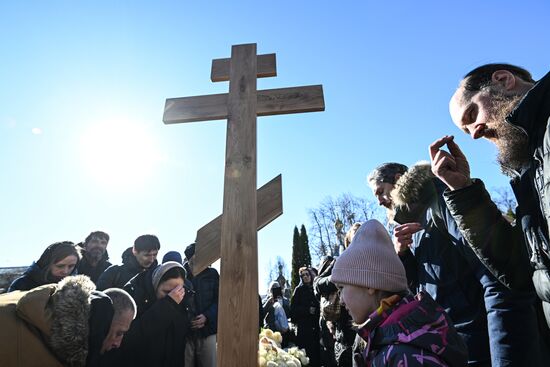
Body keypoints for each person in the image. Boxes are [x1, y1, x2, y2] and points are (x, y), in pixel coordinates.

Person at [430, 63, 550, 326]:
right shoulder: (529, 165)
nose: (475, 133)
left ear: (504, 80)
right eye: (465, 130)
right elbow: (522, 271)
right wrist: (463, 192)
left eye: (472, 114)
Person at [391, 161, 544, 365]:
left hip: (481, 347)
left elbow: (498, 281)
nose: (381, 201)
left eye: (381, 192)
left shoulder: (444, 201)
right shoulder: (417, 223)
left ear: (396, 181)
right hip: (453, 349)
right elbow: (427, 286)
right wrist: (403, 256)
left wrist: (504, 359)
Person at [330, 220, 468, 367]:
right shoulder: (388, 339)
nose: (341, 301)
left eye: (342, 288)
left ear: (369, 285)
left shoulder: (402, 355)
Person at [0, 275, 136, 367]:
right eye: (118, 333)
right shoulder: (49, 344)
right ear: (102, 324)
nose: (118, 343)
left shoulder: (53, 308)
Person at [120, 261, 190, 367]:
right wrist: (167, 304)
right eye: (167, 292)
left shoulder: (183, 300)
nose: (174, 296)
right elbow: (129, 337)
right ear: (155, 285)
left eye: (178, 291)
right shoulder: (135, 296)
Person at [314, 224, 360, 367]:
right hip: (346, 336)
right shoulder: (339, 262)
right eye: (356, 233)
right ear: (348, 241)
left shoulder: (374, 260)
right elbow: (317, 284)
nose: (360, 236)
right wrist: (337, 278)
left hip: (370, 333)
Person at [183, 243, 219, 367]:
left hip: (208, 332)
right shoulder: (181, 275)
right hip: (186, 335)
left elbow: (219, 301)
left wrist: (206, 316)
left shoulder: (213, 274)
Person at [8, 241, 80, 292]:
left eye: (71, 266)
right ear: (47, 264)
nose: (65, 271)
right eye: (60, 266)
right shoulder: (22, 284)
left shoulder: (77, 287)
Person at [291, 267, 320, 366]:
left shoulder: (315, 288)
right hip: (304, 329)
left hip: (315, 328)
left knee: (316, 356)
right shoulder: (298, 291)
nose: (305, 277)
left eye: (307, 274)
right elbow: (293, 311)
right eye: (303, 275)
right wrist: (307, 310)